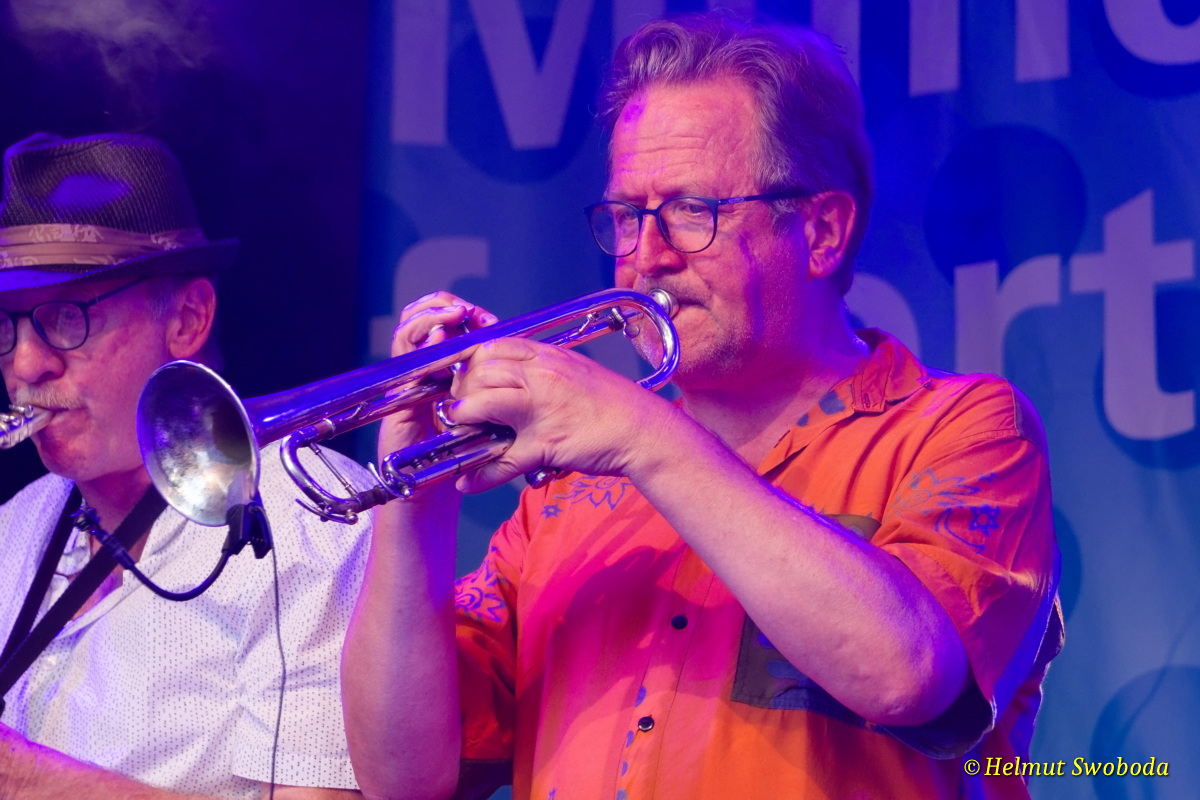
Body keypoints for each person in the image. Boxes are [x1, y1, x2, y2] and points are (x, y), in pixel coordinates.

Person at [342, 14, 1062, 800]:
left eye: (692, 210)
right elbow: (402, 779)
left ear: (822, 231)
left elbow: (908, 676)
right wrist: (412, 499)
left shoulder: (966, 428)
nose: (646, 258)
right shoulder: (564, 499)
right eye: (627, 215)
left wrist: (645, 436)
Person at [0, 132, 366, 799]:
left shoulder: (312, 515)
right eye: (6, 326)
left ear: (188, 319)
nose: (25, 365)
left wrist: (25, 780)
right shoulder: (17, 524)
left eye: (64, 318)